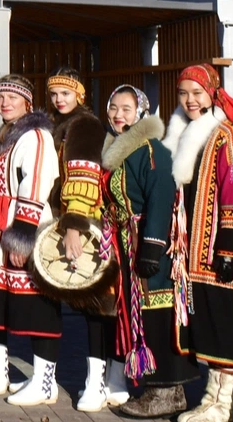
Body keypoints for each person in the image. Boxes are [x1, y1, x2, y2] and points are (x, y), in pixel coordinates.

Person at [98, 86, 194, 420]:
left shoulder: (153, 150)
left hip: (152, 245)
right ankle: (154, 387)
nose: (118, 114)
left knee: (158, 310)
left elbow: (161, 198)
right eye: (113, 107)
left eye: (126, 108)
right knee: (141, 312)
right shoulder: (118, 150)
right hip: (126, 242)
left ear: (141, 113)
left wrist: (152, 246)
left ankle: (167, 390)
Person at [165, 64, 233, 422]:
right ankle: (213, 398)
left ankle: (225, 403)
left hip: (218, 250)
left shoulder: (224, 134)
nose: (190, 101)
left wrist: (230, 248)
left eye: (196, 93)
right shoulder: (183, 132)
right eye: (183, 94)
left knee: (223, 326)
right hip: (192, 253)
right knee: (208, 327)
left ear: (212, 94)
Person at [34, 70, 121, 411]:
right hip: (58, 219)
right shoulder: (57, 126)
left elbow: (84, 174)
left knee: (95, 306)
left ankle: (98, 381)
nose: (59, 99)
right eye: (54, 93)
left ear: (79, 96)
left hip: (83, 221)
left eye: (65, 94)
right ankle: (63, 378)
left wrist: (75, 224)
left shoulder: (84, 126)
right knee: (66, 298)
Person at [0, 75, 61, 404]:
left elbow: (37, 184)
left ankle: (44, 380)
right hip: (2, 222)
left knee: (37, 304)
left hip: (26, 224)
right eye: (0, 97)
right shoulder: (8, 136)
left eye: (12, 97)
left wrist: (22, 236)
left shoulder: (36, 136)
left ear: (28, 102)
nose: (5, 103)